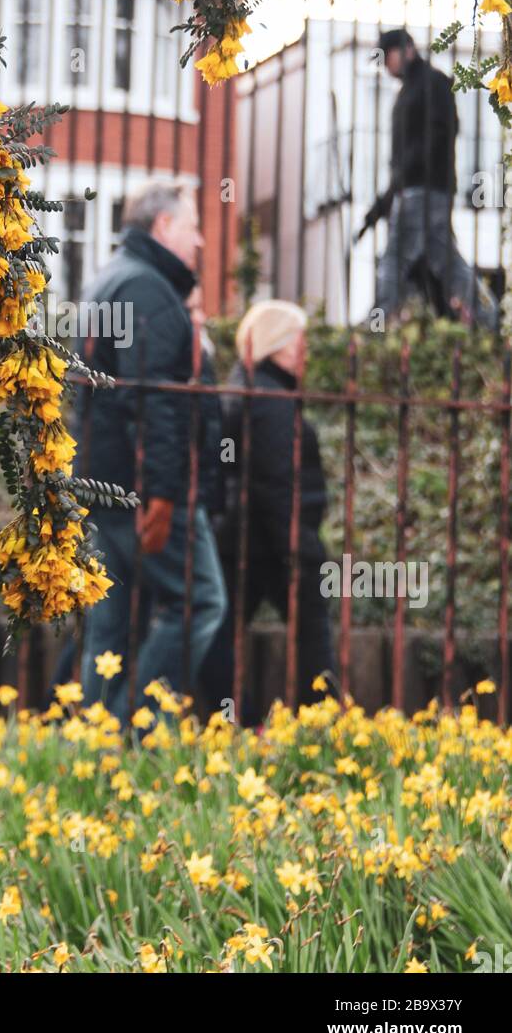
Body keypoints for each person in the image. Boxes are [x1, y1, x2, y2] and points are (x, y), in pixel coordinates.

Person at [73, 180, 228, 723]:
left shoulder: (108, 280)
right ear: (163, 227)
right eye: (192, 227)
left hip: (101, 480)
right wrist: (162, 495)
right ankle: (140, 724)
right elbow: (158, 403)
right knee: (199, 601)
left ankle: (95, 737)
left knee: (111, 621)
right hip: (143, 488)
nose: (202, 241)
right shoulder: (148, 290)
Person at [206, 300, 334, 721]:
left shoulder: (247, 385)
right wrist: (303, 551)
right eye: (299, 341)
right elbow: (278, 485)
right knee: (312, 635)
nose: (305, 351)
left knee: (220, 633)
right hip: (272, 544)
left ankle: (228, 720)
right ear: (276, 344)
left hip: (244, 539)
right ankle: (319, 721)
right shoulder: (271, 400)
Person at [356, 28, 498, 329]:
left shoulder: (431, 83)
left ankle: (375, 327)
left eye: (387, 56)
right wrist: (382, 205)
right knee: (444, 262)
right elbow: (408, 160)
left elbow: (440, 137)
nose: (386, 66)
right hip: (418, 190)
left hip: (423, 190)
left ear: (407, 49)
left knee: (395, 259)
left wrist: (405, 186)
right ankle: (490, 318)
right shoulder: (410, 90)